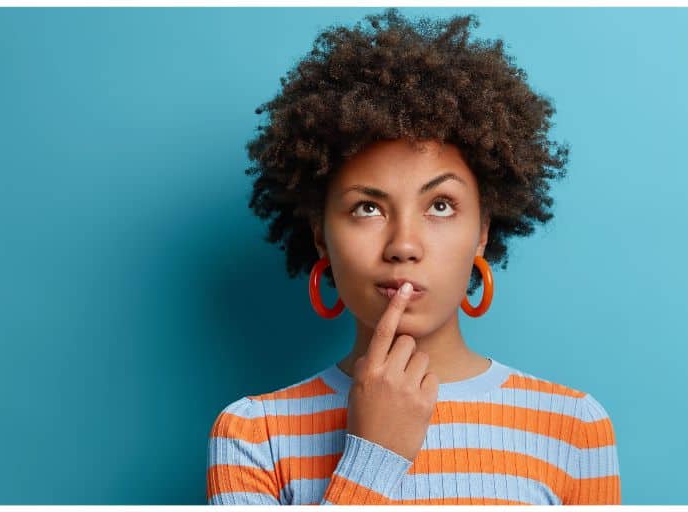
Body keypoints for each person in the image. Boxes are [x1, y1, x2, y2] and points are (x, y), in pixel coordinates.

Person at [207, 8, 620, 505]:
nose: (404, 245)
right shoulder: (252, 436)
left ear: (482, 231)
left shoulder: (574, 427)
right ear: (320, 235)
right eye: (367, 208)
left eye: (440, 206)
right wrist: (374, 455)